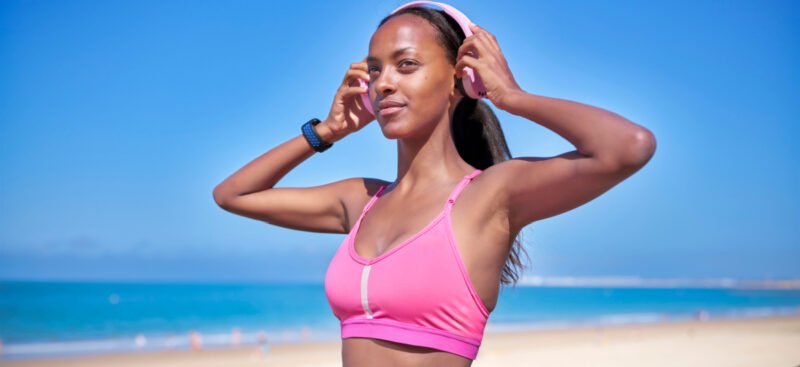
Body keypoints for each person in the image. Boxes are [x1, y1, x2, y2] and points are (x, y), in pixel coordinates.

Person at [212, 4, 656, 367]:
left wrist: (512, 96)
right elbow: (233, 195)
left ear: (458, 79)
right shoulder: (362, 201)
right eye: (375, 70)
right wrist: (326, 131)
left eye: (407, 65)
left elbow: (629, 147)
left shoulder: (490, 195)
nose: (385, 82)